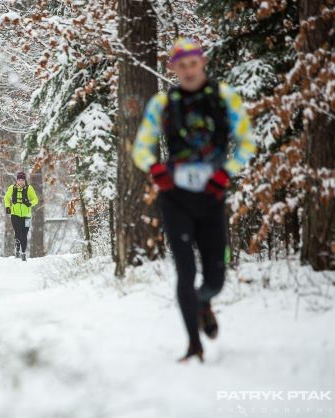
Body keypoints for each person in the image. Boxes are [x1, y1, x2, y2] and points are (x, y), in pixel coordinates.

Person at [132, 38, 256, 362]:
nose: (187, 70)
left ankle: (205, 301)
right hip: (176, 198)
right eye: (180, 65)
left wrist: (225, 172)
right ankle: (193, 344)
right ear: (173, 68)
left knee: (216, 276)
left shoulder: (224, 96)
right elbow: (141, 147)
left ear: (202, 63)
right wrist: (156, 169)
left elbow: (246, 143)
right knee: (184, 271)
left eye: (193, 63)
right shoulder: (163, 102)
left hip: (212, 195)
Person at [3, 172, 39, 261]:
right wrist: (7, 206)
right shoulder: (12, 188)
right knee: (18, 232)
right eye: (19, 180)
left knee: (24, 234)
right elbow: (6, 198)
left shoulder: (29, 189)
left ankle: (23, 253)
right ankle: (17, 250)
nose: (21, 182)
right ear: (17, 180)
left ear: (25, 180)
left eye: (22, 180)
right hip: (15, 215)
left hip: (27, 216)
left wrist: (30, 203)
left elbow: (36, 200)